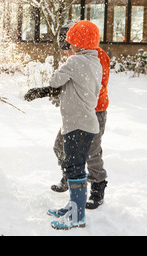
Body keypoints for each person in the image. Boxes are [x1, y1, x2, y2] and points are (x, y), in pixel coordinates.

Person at [26, 21, 102, 230]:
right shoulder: (94, 62)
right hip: (84, 124)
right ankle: (73, 206)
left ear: (77, 44)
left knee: (74, 168)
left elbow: (55, 81)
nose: (68, 46)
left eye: (71, 43)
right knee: (73, 165)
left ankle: (77, 216)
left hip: (77, 125)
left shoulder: (76, 62)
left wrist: (65, 65)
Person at [50, 23, 110, 210]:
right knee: (60, 145)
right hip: (76, 113)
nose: (69, 46)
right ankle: (69, 176)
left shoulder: (97, 56)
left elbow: (93, 85)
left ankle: (97, 188)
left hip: (94, 110)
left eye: (71, 40)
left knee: (92, 151)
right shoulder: (76, 55)